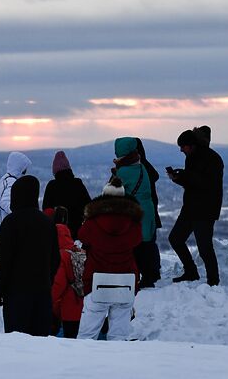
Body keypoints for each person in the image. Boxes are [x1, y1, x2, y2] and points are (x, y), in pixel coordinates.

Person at [0, 175, 60, 336]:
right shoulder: (47, 223)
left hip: (15, 295)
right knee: (40, 343)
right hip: (42, 294)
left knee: (17, 344)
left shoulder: (10, 223)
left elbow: (3, 262)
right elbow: (55, 259)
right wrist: (46, 280)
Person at [76, 178, 141, 341]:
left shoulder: (92, 222)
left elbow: (82, 236)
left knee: (87, 335)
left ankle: (80, 364)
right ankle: (117, 365)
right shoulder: (133, 222)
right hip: (125, 281)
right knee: (119, 335)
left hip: (96, 281)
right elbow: (138, 240)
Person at [167, 126, 223, 286]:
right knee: (175, 239)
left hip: (205, 210)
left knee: (205, 247)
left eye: (182, 147)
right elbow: (192, 182)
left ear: (192, 145)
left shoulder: (213, 159)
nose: (181, 150)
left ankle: (213, 282)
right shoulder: (191, 157)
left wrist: (184, 175)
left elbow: (205, 184)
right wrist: (178, 178)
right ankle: (191, 271)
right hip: (191, 208)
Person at [112, 137, 157, 288]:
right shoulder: (140, 166)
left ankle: (139, 276)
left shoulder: (123, 171)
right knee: (147, 243)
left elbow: (112, 191)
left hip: (134, 211)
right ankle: (150, 275)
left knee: (136, 245)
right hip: (148, 209)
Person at [47, 206, 84, 339]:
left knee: (68, 346)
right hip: (84, 308)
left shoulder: (60, 256)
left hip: (68, 309)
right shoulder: (78, 252)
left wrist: (47, 302)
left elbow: (58, 285)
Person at [42, 151, 91, 239]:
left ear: (55, 171)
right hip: (77, 229)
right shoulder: (77, 183)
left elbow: (46, 209)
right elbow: (88, 205)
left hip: (57, 232)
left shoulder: (52, 186)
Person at [135, 138, 162, 285]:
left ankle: (148, 273)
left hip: (140, 212)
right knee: (150, 242)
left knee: (144, 244)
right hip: (151, 209)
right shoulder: (146, 165)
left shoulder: (137, 167)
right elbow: (155, 176)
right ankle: (154, 271)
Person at [0, 152, 32, 235]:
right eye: (24, 169)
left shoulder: (5, 179)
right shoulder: (11, 182)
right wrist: (19, 214)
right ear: (19, 168)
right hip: (5, 227)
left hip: (0, 226)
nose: (25, 172)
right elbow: (5, 202)